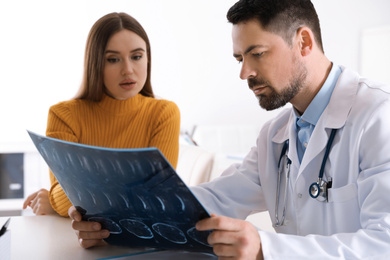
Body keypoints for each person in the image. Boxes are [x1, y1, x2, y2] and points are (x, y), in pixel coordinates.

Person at [70, 0, 390, 258]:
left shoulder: (378, 116)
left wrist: (266, 248)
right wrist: (113, 219)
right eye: (240, 58)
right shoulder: (275, 135)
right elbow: (213, 199)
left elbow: (383, 244)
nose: (244, 73)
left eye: (257, 54)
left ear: (303, 41)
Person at [23, 12, 181, 217]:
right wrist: (60, 200)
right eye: (113, 59)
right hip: (77, 241)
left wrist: (67, 197)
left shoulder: (164, 113)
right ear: (95, 64)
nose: (128, 70)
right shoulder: (63, 116)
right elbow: (62, 198)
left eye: (137, 56)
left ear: (148, 59)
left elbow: (155, 196)